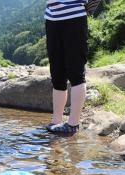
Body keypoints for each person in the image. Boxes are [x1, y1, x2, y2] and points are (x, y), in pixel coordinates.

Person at [44, 0, 89, 134]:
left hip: (75, 17)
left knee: (76, 72)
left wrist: (88, 7)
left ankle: (73, 123)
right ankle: (56, 120)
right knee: (57, 73)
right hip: (51, 18)